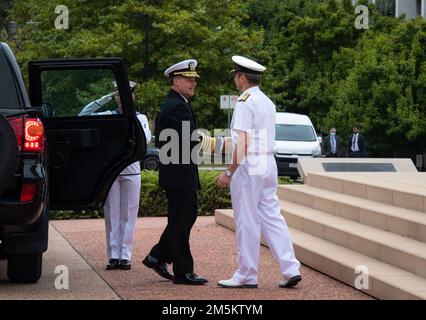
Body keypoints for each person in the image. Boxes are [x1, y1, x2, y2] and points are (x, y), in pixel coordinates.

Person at [216, 56, 301, 289]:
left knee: (247, 219)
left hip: (249, 165)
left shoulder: (245, 101)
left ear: (243, 77)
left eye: (236, 75)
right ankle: (290, 267)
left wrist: (229, 172)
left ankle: (247, 274)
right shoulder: (267, 101)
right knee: (273, 217)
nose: (235, 79)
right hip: (268, 163)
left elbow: (242, 142)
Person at [142, 59, 208, 285]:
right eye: (189, 80)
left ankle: (157, 255)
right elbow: (187, 139)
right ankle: (183, 271)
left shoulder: (176, 102)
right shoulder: (176, 105)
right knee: (182, 220)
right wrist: (215, 143)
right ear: (176, 81)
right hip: (179, 172)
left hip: (178, 170)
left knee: (184, 218)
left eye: (194, 80)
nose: (193, 84)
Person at [80, 81, 151, 270]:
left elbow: (145, 139)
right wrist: (105, 99)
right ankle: (113, 255)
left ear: (132, 97)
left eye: (126, 94)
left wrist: (130, 117)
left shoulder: (140, 117)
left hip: (131, 169)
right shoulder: (107, 116)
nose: (122, 98)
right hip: (111, 170)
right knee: (112, 214)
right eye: (118, 95)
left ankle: (125, 256)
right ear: (116, 97)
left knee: (129, 214)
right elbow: (83, 115)